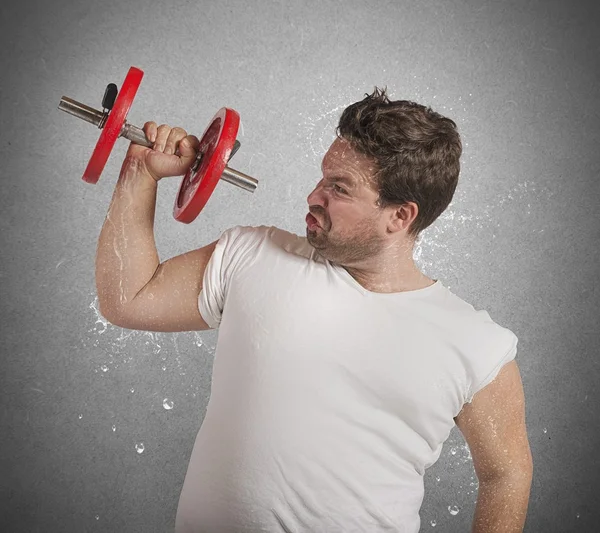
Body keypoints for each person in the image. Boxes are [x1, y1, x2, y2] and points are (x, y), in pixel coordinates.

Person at [95, 89, 533, 532]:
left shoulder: (476, 344)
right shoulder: (253, 255)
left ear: (399, 217)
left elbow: (506, 474)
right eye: (323, 178)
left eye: (338, 189)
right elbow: (128, 298)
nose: (313, 195)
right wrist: (141, 171)